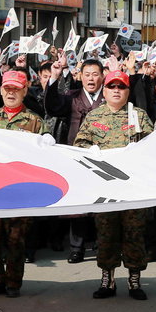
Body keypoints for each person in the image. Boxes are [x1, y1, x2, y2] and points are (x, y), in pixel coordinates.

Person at [73, 70, 154, 300]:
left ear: (128, 91)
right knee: (106, 233)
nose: (116, 90)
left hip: (132, 188)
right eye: (112, 87)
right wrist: (92, 151)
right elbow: (79, 144)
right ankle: (107, 279)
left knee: (134, 233)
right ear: (105, 91)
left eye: (121, 87)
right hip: (106, 187)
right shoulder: (94, 116)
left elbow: (152, 145)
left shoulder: (138, 115)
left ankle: (134, 279)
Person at [0, 71, 45, 298]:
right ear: (0, 90)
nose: (11, 92)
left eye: (16, 88)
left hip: (20, 190)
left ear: (25, 91)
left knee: (16, 239)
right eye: (7, 88)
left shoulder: (35, 121)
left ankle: (13, 283)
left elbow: (44, 157)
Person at [46, 58, 105, 263]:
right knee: (78, 205)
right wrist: (54, 77)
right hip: (77, 156)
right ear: (79, 76)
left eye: (95, 74)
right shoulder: (72, 97)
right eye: (87, 74)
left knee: (102, 202)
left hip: (103, 157)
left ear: (102, 76)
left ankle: (103, 244)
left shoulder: (109, 96)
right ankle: (76, 248)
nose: (91, 78)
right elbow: (52, 107)